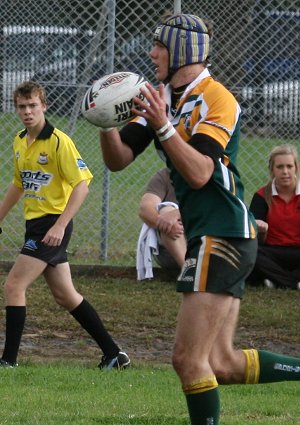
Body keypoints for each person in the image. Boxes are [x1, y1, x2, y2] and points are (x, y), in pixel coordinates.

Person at [99, 13, 300, 424]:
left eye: (159, 46)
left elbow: (201, 172)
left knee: (187, 361)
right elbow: (118, 159)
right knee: (221, 363)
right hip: (213, 235)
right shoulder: (162, 98)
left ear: (182, 51)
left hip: (223, 232)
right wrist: (104, 121)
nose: (152, 53)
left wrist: (164, 127)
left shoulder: (217, 97)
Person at [0, 81, 130, 370]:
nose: (27, 112)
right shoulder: (20, 140)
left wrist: (60, 226)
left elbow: (82, 184)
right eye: (22, 107)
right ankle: (114, 355)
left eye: (33, 105)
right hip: (36, 225)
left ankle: (8, 362)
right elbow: (18, 184)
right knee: (65, 295)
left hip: (51, 226)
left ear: (44, 106)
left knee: (14, 285)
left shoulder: (59, 141)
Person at [248, 144, 300, 290]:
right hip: (271, 253)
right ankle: (293, 282)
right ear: (272, 170)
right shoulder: (261, 195)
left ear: (296, 167)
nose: (285, 172)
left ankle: (275, 280)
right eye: (280, 167)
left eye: (289, 166)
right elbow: (255, 240)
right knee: (251, 253)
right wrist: (262, 231)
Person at [137, 167, 186, 280]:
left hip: (206, 246)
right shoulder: (165, 175)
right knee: (166, 210)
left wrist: (179, 213)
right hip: (171, 251)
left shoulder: (213, 176)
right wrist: (168, 224)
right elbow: (145, 209)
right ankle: (190, 272)